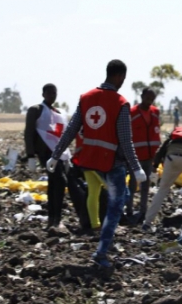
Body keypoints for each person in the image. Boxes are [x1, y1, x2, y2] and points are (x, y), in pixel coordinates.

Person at [47, 59, 146, 269]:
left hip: (90, 161)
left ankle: (104, 242)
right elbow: (126, 140)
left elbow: (71, 130)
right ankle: (101, 253)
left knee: (118, 196)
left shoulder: (86, 98)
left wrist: (55, 155)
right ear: (119, 76)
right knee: (115, 207)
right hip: (112, 163)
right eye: (123, 79)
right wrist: (136, 167)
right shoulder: (121, 103)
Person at [25, 84, 76, 230]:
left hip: (58, 153)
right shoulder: (36, 110)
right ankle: (55, 219)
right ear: (43, 94)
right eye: (49, 93)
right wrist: (30, 155)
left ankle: (54, 219)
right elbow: (29, 132)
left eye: (54, 93)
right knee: (59, 181)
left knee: (55, 183)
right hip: (45, 153)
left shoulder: (59, 113)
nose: (52, 95)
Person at [126, 87, 161, 223]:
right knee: (133, 184)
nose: (149, 102)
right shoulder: (132, 113)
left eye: (152, 99)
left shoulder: (155, 112)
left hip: (150, 155)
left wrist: (158, 155)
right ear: (142, 96)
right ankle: (129, 210)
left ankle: (143, 211)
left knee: (146, 186)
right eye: (147, 98)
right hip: (135, 156)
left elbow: (156, 133)